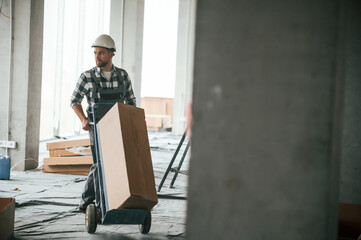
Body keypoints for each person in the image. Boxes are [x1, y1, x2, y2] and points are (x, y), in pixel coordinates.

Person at [70, 34, 136, 212]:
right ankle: (98, 206)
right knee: (101, 164)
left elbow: (131, 102)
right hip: (97, 128)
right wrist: (84, 119)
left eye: (101, 53)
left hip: (118, 128)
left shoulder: (123, 76)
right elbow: (74, 101)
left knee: (112, 164)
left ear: (112, 54)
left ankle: (94, 202)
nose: (97, 57)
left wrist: (131, 124)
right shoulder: (87, 77)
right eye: (95, 53)